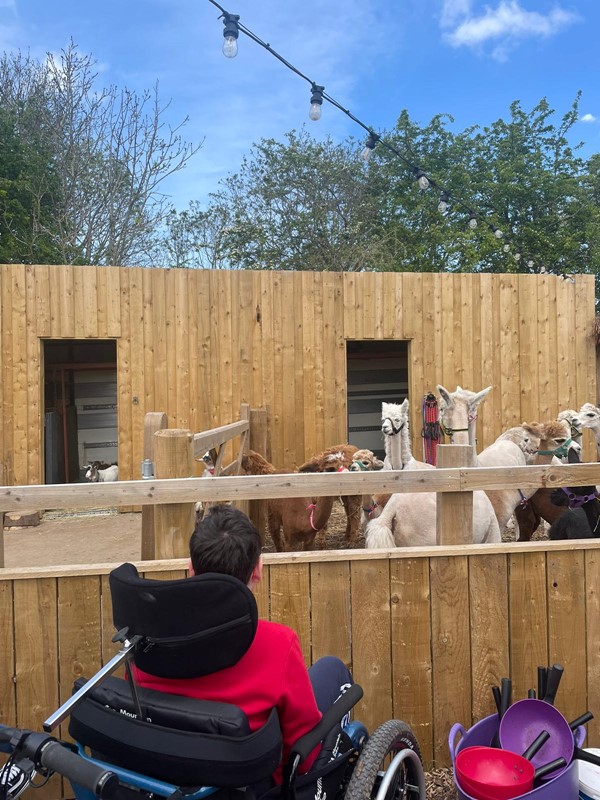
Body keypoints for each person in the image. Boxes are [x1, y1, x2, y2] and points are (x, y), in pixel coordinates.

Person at [133, 504, 353, 784]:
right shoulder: (278, 643)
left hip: (172, 779)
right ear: (258, 570)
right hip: (257, 786)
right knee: (333, 670)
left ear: (190, 569)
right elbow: (304, 757)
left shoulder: (145, 643)